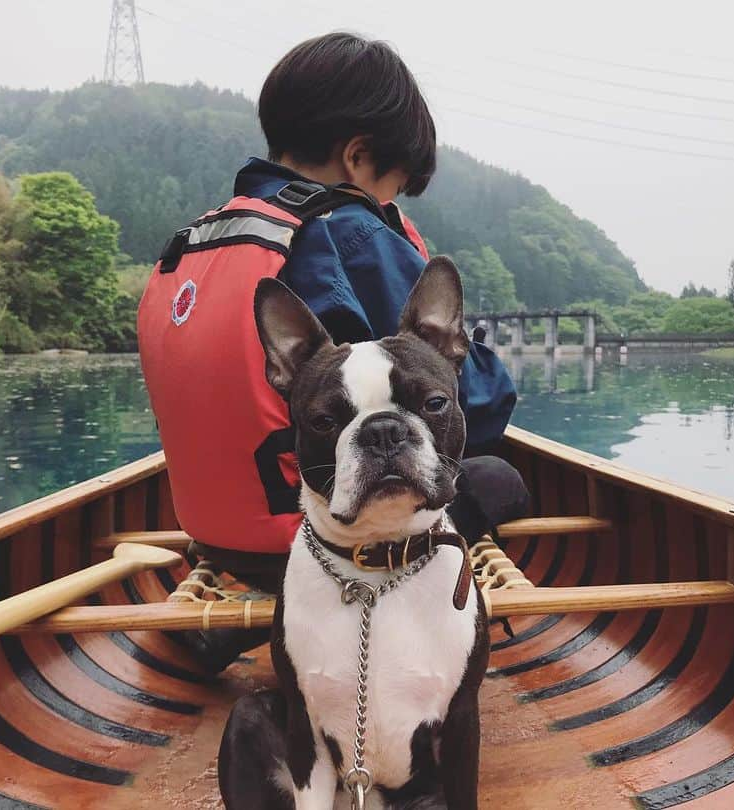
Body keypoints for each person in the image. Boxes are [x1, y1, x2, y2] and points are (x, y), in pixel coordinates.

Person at [139, 33, 527, 673]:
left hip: (210, 533)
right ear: (357, 155)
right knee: (498, 478)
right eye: (393, 187)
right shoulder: (345, 227)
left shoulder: (198, 244)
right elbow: (482, 403)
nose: (390, 208)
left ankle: (236, 614)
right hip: (316, 535)